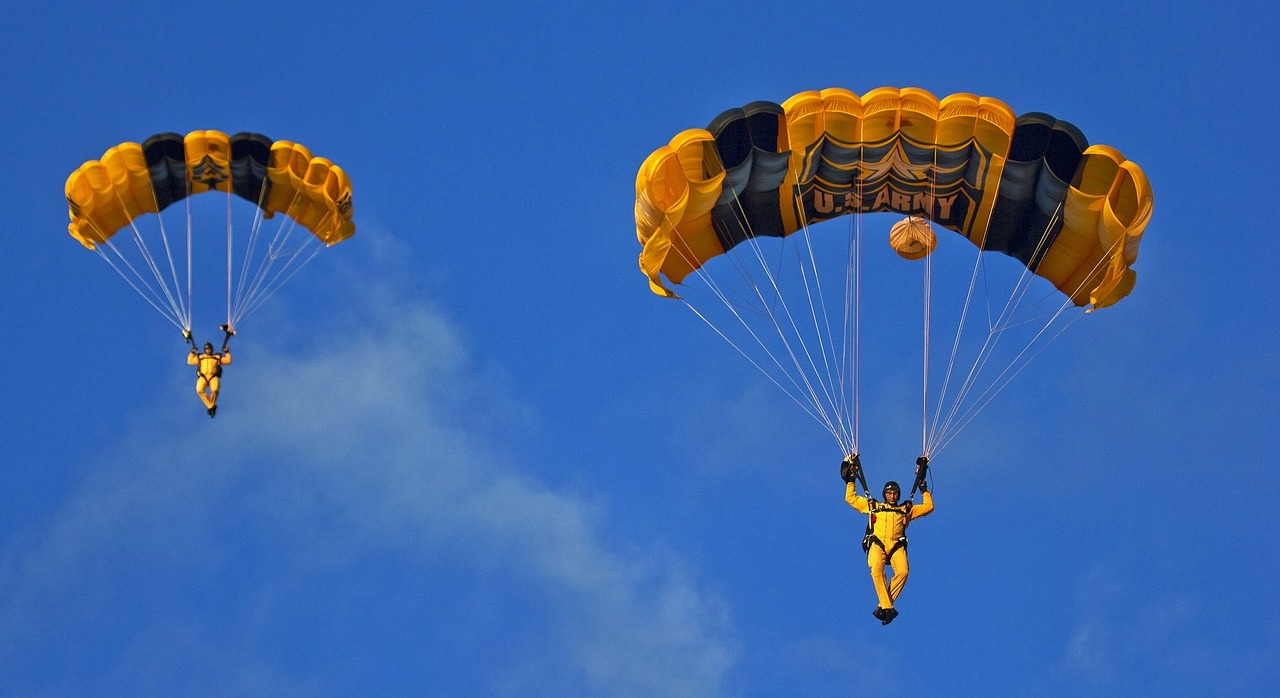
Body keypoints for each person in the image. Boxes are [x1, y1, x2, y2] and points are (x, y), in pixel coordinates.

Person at [842, 454, 933, 625]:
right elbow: (851, 498)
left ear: (898, 495)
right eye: (889, 493)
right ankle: (887, 607)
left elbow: (929, 507)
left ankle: (884, 606)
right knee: (876, 569)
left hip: (897, 545)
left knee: (904, 572)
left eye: (895, 493)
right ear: (884, 494)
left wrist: (924, 490)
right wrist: (851, 480)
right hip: (878, 544)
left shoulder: (906, 510)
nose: (892, 496)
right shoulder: (873, 507)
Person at [185, 326, 233, 417]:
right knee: (199, 390)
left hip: (212, 376)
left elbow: (228, 361)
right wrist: (192, 353)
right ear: (204, 350)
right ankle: (211, 406)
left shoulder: (216, 357)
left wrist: (227, 352)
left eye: (209, 349)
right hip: (203, 376)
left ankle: (211, 407)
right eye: (206, 349)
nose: (208, 350)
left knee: (215, 390)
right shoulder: (200, 357)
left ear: (211, 349)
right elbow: (190, 361)